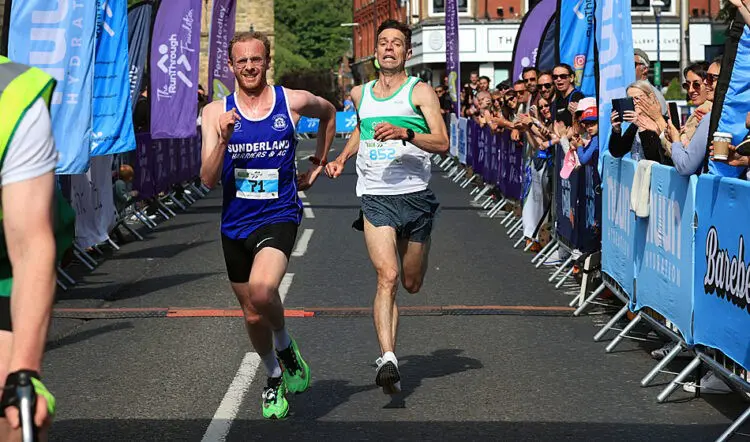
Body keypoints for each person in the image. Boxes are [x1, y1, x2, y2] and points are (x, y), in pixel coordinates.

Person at [199, 31, 337, 419]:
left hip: (279, 214)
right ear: (231, 66)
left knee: (262, 290)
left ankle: (285, 343)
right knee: (251, 313)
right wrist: (223, 140)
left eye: (256, 59)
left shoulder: (290, 101)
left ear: (267, 61)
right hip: (235, 224)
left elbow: (329, 113)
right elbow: (207, 179)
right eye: (242, 61)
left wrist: (318, 162)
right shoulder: (215, 113)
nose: (249, 67)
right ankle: (274, 373)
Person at [324, 19, 449, 395]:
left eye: (396, 43)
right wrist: (342, 157)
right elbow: (361, 129)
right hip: (375, 196)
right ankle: (388, 357)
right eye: (383, 42)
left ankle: (423, 241)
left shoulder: (420, 92)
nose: (389, 48)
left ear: (407, 52)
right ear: (375, 51)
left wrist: (405, 133)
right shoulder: (360, 93)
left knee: (411, 283)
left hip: (415, 196)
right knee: (387, 277)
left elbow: (442, 143)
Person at [0, 55, 71, 440]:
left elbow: (30, 248)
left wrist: (22, 373)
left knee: (14, 413)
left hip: (2, 270)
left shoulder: (14, 96)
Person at [634, 48, 667, 115]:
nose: (628, 68)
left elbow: (660, 120)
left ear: (644, 69)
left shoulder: (654, 95)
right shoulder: (631, 90)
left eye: (633, 64)